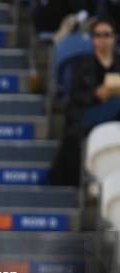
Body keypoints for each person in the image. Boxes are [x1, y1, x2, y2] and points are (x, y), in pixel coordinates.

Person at [50, 17, 120, 186]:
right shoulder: (82, 65)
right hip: (89, 113)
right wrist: (96, 95)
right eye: (98, 35)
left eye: (106, 35)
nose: (102, 40)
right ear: (92, 39)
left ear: (114, 38)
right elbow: (75, 97)